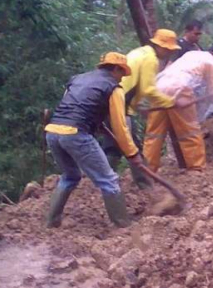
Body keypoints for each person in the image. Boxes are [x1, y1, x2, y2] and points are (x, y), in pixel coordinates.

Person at [45, 52, 144, 228]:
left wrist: (96, 123)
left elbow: (70, 107)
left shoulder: (77, 79)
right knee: (109, 180)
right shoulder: (113, 87)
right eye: (122, 74)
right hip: (76, 134)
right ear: (115, 69)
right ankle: (124, 227)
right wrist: (132, 152)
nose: (122, 79)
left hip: (53, 131)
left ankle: (51, 223)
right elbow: (120, 126)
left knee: (70, 176)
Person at [104, 29, 181, 188]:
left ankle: (100, 182)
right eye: (168, 50)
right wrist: (169, 102)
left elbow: (133, 84)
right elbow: (148, 89)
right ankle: (146, 187)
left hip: (112, 101)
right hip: (120, 105)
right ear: (160, 47)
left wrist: (137, 106)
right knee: (133, 148)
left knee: (114, 147)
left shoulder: (139, 52)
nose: (168, 53)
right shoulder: (151, 59)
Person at [143, 51, 213, 173]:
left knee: (154, 134)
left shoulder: (190, 56)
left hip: (159, 89)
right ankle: (196, 168)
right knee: (189, 132)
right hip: (180, 89)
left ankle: (148, 170)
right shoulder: (211, 63)